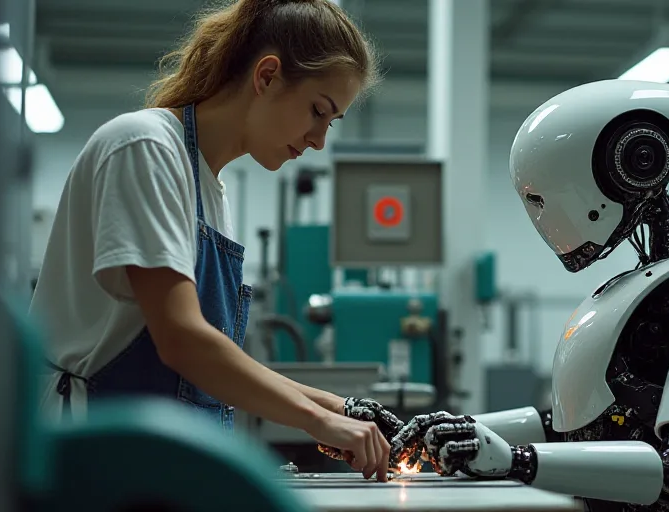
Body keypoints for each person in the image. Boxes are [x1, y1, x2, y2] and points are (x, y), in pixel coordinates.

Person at [30, 0, 402, 482]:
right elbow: (183, 340)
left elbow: (214, 361)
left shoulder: (209, 188)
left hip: (151, 458)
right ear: (267, 76)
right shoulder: (145, 148)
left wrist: (341, 407)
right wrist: (320, 420)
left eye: (331, 123)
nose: (318, 141)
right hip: (88, 455)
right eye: (318, 112)